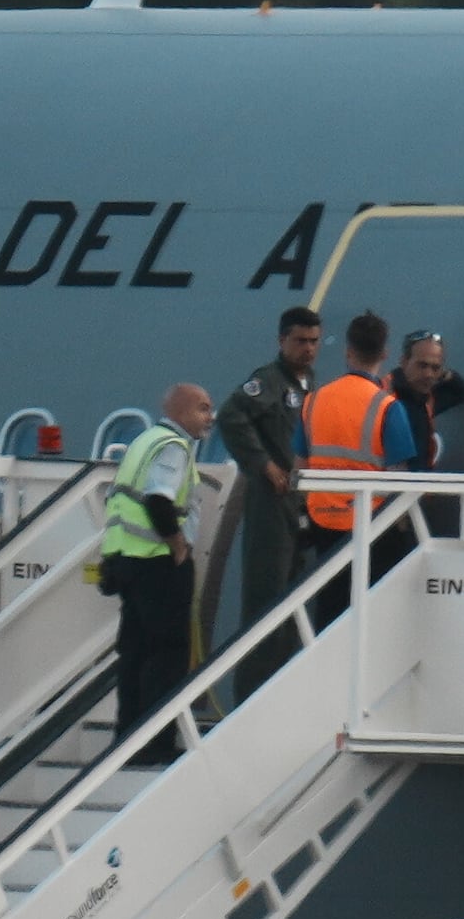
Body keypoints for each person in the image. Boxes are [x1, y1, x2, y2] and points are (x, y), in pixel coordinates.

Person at [97, 383, 213, 739]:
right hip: (157, 562)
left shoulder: (144, 441)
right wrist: (177, 544)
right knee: (167, 654)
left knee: (134, 652)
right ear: (180, 411)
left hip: (126, 559)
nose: (210, 417)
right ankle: (156, 743)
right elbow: (159, 499)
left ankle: (128, 737)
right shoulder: (173, 447)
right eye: (203, 408)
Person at [215, 305, 320, 653]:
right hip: (270, 502)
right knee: (266, 593)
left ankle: (284, 670)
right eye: (300, 341)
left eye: (314, 341)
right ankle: (257, 676)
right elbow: (231, 416)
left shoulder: (309, 382)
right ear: (282, 341)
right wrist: (263, 464)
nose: (308, 349)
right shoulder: (269, 381)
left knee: (292, 592)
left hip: (297, 501)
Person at [299, 309, 395, 574]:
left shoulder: (314, 401)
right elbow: (401, 474)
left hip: (321, 518)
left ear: (348, 352)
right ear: (384, 354)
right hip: (370, 520)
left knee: (328, 592)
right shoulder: (387, 406)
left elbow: (299, 465)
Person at [380, 328, 464, 539]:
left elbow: (460, 391)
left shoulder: (425, 398)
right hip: (385, 506)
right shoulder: (385, 396)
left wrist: (445, 374)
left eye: (435, 368)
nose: (429, 375)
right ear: (403, 361)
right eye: (422, 365)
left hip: (415, 503)